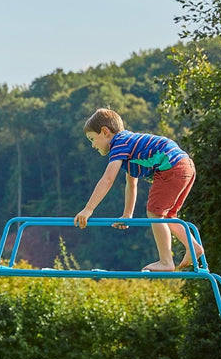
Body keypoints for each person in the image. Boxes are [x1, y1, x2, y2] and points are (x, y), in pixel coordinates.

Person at [73, 108, 204, 271]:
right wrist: (127, 215)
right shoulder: (131, 145)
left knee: (155, 213)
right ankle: (194, 247)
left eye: (92, 139)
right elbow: (131, 184)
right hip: (185, 166)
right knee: (168, 215)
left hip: (172, 167)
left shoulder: (119, 144)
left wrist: (88, 209)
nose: (92, 145)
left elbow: (107, 179)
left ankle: (166, 261)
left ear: (105, 132)